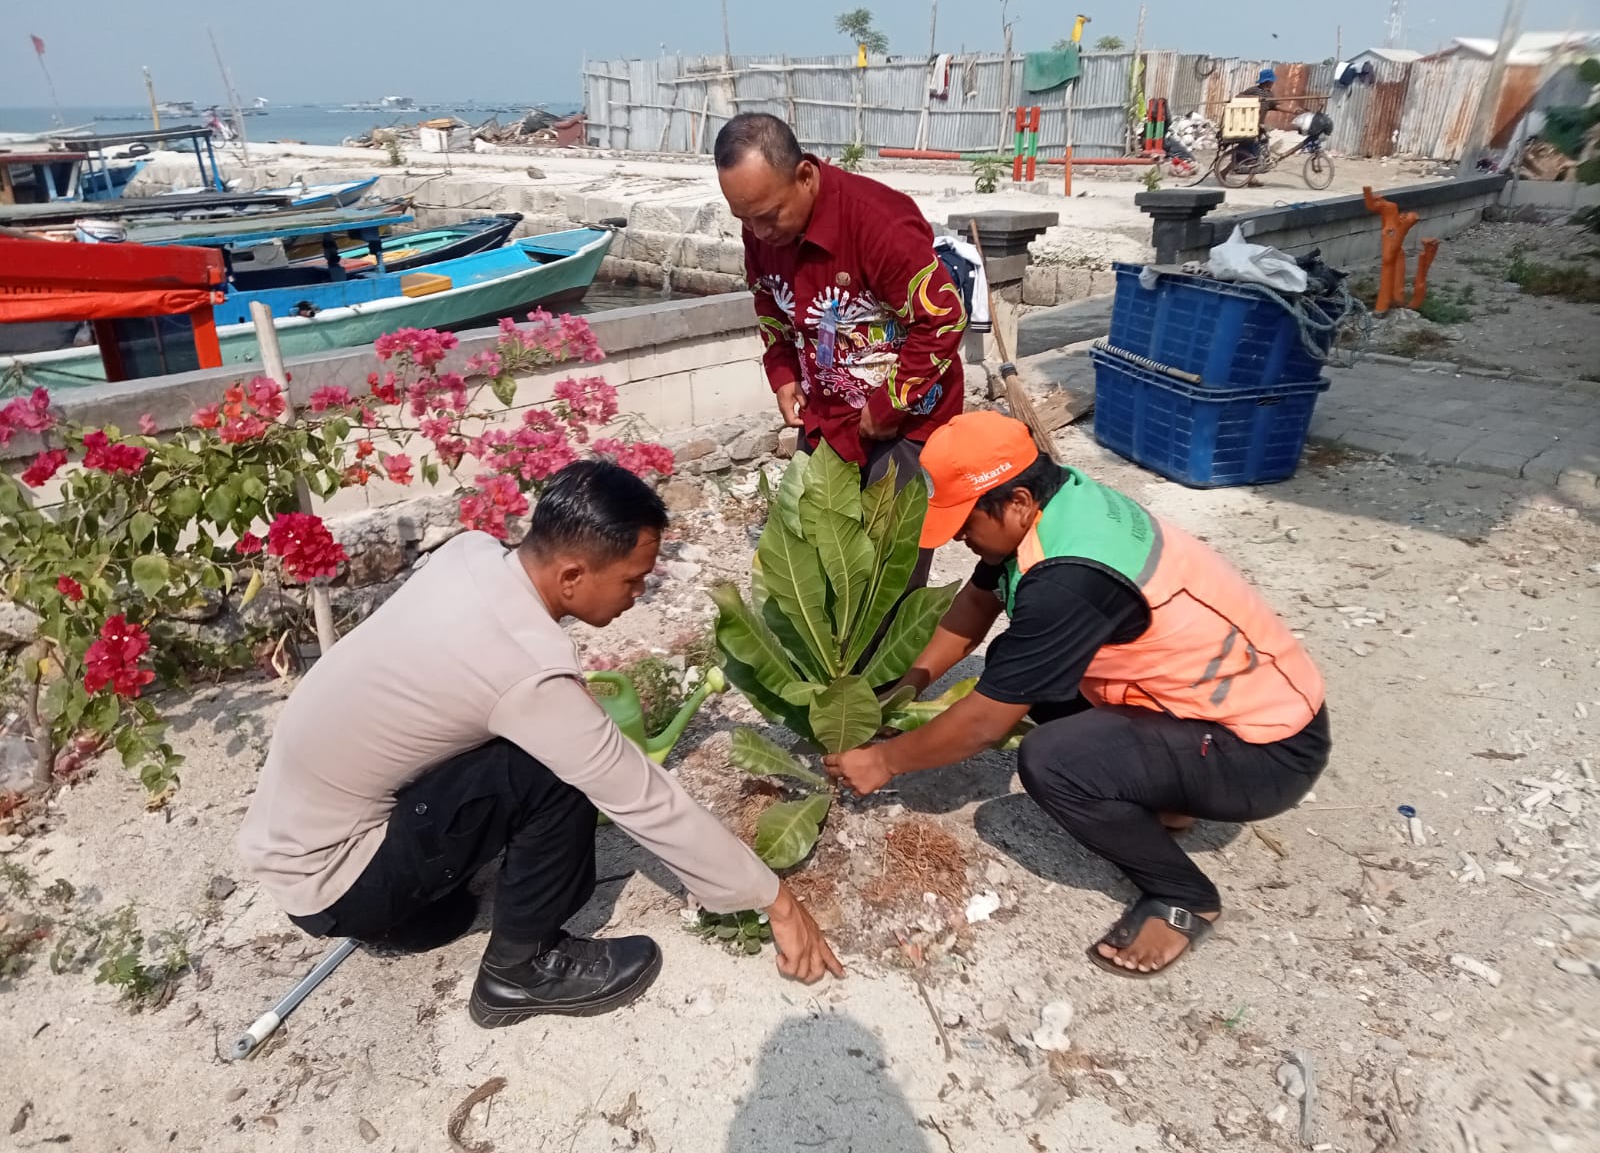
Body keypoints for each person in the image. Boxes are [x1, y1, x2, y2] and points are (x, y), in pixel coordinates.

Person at [238, 461, 842, 1030]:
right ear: (572, 576)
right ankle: (519, 972)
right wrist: (775, 899)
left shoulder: (471, 554)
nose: (639, 595)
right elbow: (644, 797)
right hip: (336, 881)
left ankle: (414, 910)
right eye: (632, 580)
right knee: (551, 767)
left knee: (529, 744)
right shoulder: (526, 674)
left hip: (300, 844)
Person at [823, 412, 1330, 978]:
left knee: (1052, 761)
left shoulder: (1069, 573)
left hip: (1267, 753)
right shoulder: (1057, 503)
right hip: (1223, 709)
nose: (961, 537)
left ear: (1015, 501)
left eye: (965, 523)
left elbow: (985, 723)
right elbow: (978, 602)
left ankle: (1182, 894)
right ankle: (1171, 801)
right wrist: (909, 683)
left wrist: (884, 761)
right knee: (1015, 671)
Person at [714, 112, 966, 587]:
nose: (757, 231)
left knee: (885, 578)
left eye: (768, 216)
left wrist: (889, 404)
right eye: (743, 218)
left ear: (805, 176)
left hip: (905, 425)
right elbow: (768, 297)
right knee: (817, 561)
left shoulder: (878, 224)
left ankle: (886, 664)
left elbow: (944, 319)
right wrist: (783, 370)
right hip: (827, 413)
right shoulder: (760, 226)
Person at [1238, 68, 1282, 186]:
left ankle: (1250, 177)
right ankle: (1247, 176)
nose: (1273, 83)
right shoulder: (1254, 90)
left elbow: (1276, 105)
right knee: (1251, 152)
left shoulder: (1269, 95)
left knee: (1257, 150)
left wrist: (1294, 111)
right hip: (1248, 125)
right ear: (1267, 81)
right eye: (1272, 81)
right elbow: (1238, 97)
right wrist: (1254, 98)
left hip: (1258, 127)